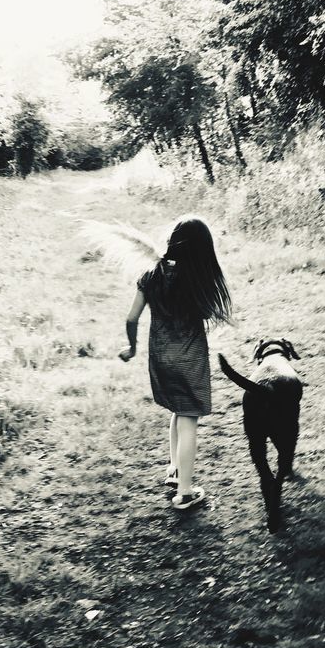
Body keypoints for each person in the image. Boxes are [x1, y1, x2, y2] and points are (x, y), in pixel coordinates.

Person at [119, 216, 232, 511]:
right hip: (189, 358)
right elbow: (207, 312)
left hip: (160, 357)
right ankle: (184, 492)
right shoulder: (196, 278)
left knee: (177, 411)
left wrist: (131, 348)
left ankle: (174, 470)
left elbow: (131, 317)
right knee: (189, 417)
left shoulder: (151, 274)